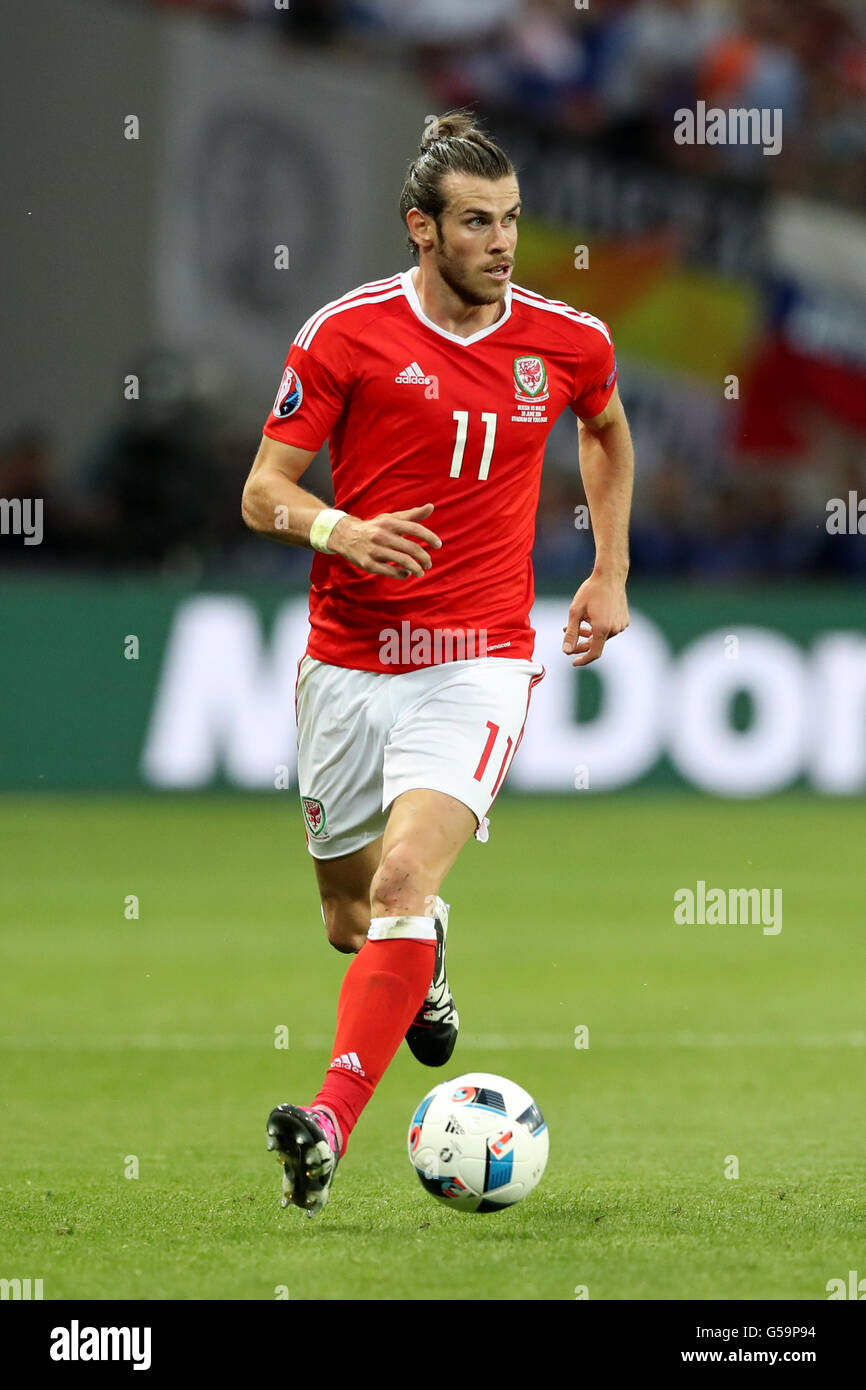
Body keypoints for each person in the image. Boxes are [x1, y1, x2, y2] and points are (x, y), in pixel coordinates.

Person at [241, 110, 633, 1216]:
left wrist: (607, 570)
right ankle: (427, 956)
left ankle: (325, 1120)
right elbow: (263, 489)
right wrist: (337, 529)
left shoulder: (565, 341)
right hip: (348, 660)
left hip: (476, 660)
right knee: (350, 917)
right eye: (475, 223)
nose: (502, 243)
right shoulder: (344, 335)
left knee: (405, 880)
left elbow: (603, 428)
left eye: (510, 220)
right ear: (420, 228)